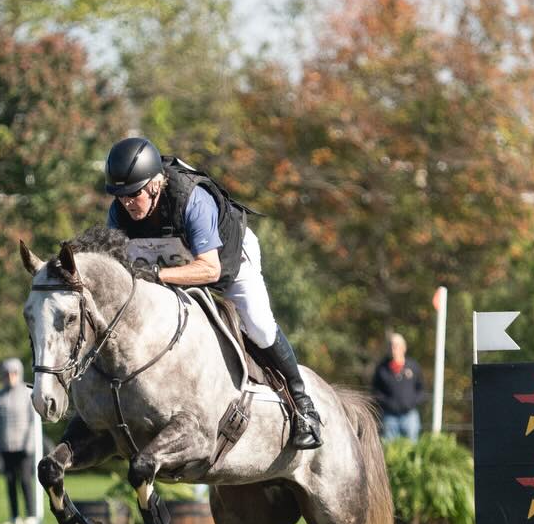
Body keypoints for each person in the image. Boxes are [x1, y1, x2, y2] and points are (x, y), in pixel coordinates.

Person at [102, 136, 323, 449]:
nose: (126, 203)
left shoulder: (191, 199)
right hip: (172, 261)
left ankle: (305, 407)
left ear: (154, 184)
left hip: (228, 262)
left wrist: (156, 275)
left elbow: (210, 269)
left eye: (132, 194)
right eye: (120, 196)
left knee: (258, 327)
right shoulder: (121, 211)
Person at [0, 358, 39, 524]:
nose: (11, 376)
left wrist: (30, 444)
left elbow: (34, 422)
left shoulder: (28, 392)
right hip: (6, 447)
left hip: (24, 447)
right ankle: (14, 516)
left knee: (25, 481)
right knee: (10, 482)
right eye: (7, 373)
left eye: (14, 373)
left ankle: (31, 515)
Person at [371, 333, 426, 441]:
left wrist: (411, 403)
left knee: (412, 448)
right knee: (390, 449)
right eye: (391, 345)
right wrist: (388, 404)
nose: (393, 348)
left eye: (396, 345)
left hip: (410, 416)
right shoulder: (381, 368)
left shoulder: (413, 366)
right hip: (389, 417)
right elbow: (376, 391)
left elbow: (421, 389)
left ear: (403, 348)